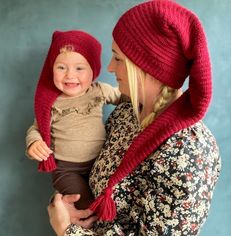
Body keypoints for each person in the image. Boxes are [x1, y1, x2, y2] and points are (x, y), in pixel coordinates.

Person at [47, 0, 221, 235]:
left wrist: (67, 230)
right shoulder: (127, 114)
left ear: (146, 67)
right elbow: (89, 170)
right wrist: (66, 204)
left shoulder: (188, 152)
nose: (109, 67)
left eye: (118, 58)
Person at [25, 30, 121, 209]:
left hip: (100, 163)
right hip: (66, 170)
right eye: (61, 67)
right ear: (51, 68)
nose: (69, 75)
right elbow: (36, 128)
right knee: (83, 202)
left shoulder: (99, 90)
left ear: (94, 70)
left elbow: (125, 97)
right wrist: (34, 143)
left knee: (111, 198)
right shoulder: (50, 102)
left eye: (79, 68)